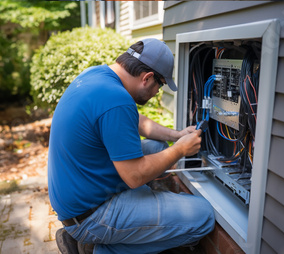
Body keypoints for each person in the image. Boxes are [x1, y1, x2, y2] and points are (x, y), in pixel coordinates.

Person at [48, 38, 215, 254]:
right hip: (90, 215)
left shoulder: (98, 76)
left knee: (158, 147)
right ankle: (96, 248)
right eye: (161, 84)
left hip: (78, 197)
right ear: (147, 78)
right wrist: (180, 149)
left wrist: (177, 135)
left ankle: (102, 235)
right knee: (204, 216)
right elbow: (134, 176)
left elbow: (135, 121)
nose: (158, 92)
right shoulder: (117, 99)